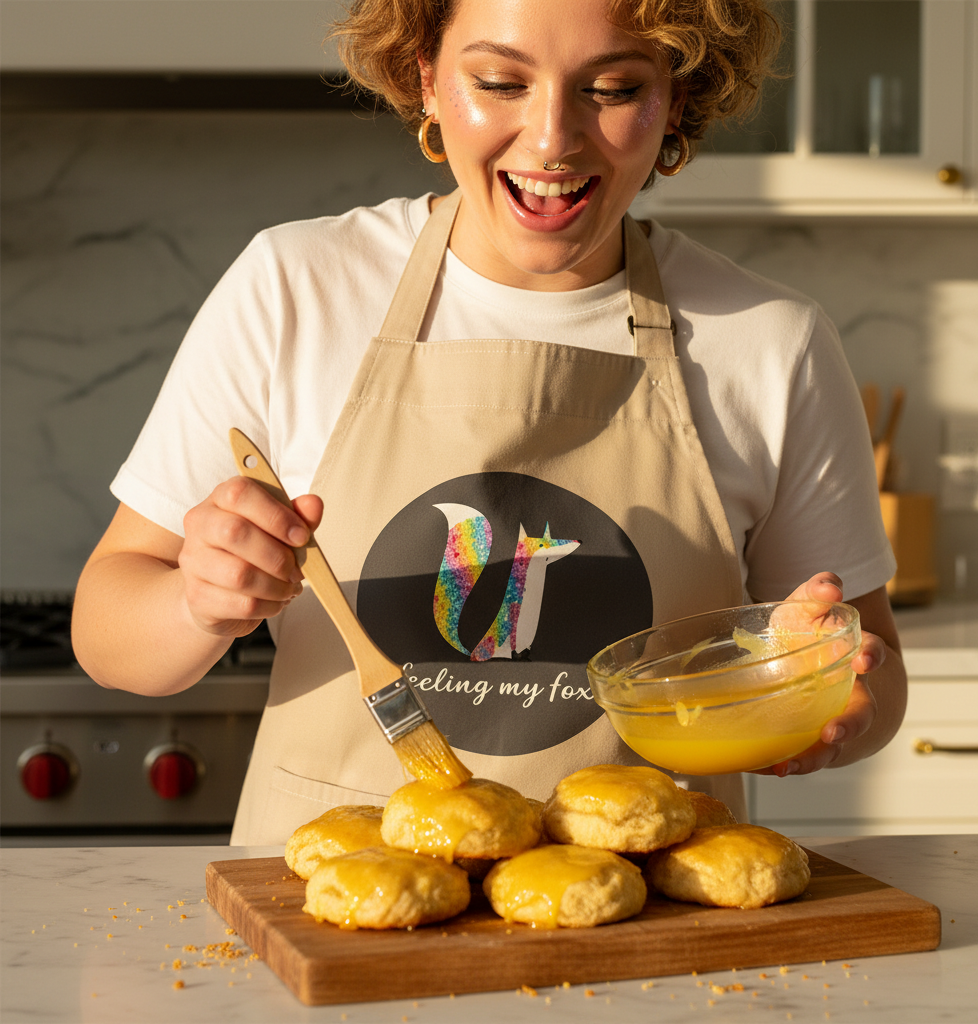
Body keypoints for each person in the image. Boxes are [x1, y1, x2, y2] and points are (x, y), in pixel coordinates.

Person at [71, 0, 906, 845]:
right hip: (332, 910)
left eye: (612, 89)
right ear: (425, 78)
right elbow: (109, 630)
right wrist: (197, 604)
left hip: (646, 930)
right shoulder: (296, 289)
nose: (551, 139)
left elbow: (875, 670)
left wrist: (831, 707)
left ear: (679, 97)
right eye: (500, 81)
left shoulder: (768, 339)